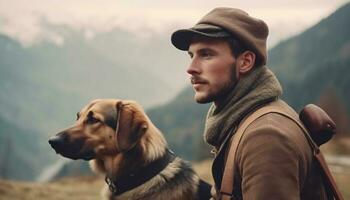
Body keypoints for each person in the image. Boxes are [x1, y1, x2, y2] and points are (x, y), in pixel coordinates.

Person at [171, 7, 329, 199]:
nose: (191, 68)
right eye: (191, 55)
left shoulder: (265, 136)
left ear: (245, 62)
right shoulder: (244, 121)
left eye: (206, 55)